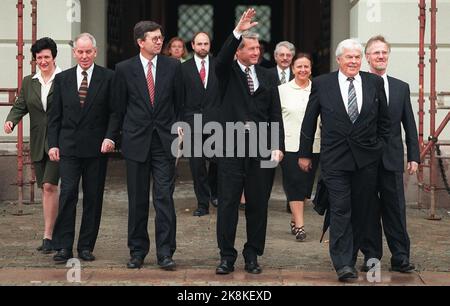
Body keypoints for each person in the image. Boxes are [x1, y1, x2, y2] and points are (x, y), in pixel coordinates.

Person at [298, 38, 390, 282]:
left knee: (362, 210)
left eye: (357, 57)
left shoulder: (374, 82)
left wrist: (377, 148)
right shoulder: (322, 83)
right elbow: (309, 120)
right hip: (335, 160)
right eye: (349, 57)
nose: (353, 61)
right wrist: (305, 153)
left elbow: (385, 123)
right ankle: (343, 263)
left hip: (365, 161)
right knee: (340, 209)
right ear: (339, 59)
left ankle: (358, 254)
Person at [214, 8, 284, 275]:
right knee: (229, 204)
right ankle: (226, 256)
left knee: (258, 205)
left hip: (262, 150)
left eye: (258, 48)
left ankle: (252, 254)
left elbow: (275, 114)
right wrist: (237, 32)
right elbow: (220, 59)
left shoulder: (268, 75)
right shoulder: (226, 71)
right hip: (231, 148)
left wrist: (277, 145)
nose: (256, 52)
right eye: (250, 48)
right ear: (238, 51)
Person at [112, 21, 183, 270]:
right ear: (140, 42)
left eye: (160, 37)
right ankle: (137, 251)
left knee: (164, 198)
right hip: (136, 142)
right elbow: (118, 108)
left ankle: (165, 252)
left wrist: (181, 128)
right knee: (137, 200)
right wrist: (113, 137)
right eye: (154, 38)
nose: (159, 41)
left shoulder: (173, 66)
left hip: (165, 143)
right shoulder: (123, 69)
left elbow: (180, 102)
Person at [47, 33, 118, 264]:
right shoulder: (63, 79)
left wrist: (110, 138)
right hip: (68, 148)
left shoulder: (108, 77)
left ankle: (86, 246)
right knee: (67, 195)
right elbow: (54, 116)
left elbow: (115, 112)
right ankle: (64, 247)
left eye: (89, 52)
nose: (85, 56)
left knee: (93, 198)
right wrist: (53, 144)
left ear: (95, 52)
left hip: (97, 149)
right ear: (74, 52)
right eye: (80, 51)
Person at [360, 35, 419, 273]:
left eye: (384, 52)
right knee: (368, 210)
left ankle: (401, 256)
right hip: (364, 160)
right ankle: (371, 257)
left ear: (388, 56)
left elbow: (410, 125)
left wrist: (414, 156)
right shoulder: (358, 84)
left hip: (392, 159)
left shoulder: (400, 87)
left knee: (396, 209)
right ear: (367, 57)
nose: (381, 56)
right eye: (376, 53)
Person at [4, 37, 61, 254]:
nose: (43, 61)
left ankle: (49, 234)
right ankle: (50, 234)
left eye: (46, 57)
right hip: (38, 142)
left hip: (59, 142)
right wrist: (11, 120)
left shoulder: (64, 79)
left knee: (49, 185)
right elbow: (20, 105)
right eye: (39, 58)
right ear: (35, 60)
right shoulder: (30, 82)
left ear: (54, 57)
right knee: (46, 189)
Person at [277, 53, 320, 242]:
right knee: (294, 183)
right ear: (292, 69)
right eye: (299, 67)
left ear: (311, 69)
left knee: (305, 188)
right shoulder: (282, 90)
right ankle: (300, 226)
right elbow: (275, 119)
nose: (303, 70)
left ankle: (295, 218)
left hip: (314, 145)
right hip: (290, 145)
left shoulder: (319, 89)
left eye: (306, 67)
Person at [181, 31, 219, 216]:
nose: (203, 47)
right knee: (197, 166)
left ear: (209, 45)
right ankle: (202, 203)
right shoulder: (183, 68)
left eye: (206, 44)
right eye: (199, 44)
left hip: (217, 123)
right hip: (191, 123)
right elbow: (178, 97)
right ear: (193, 46)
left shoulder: (219, 65)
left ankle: (214, 193)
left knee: (217, 162)